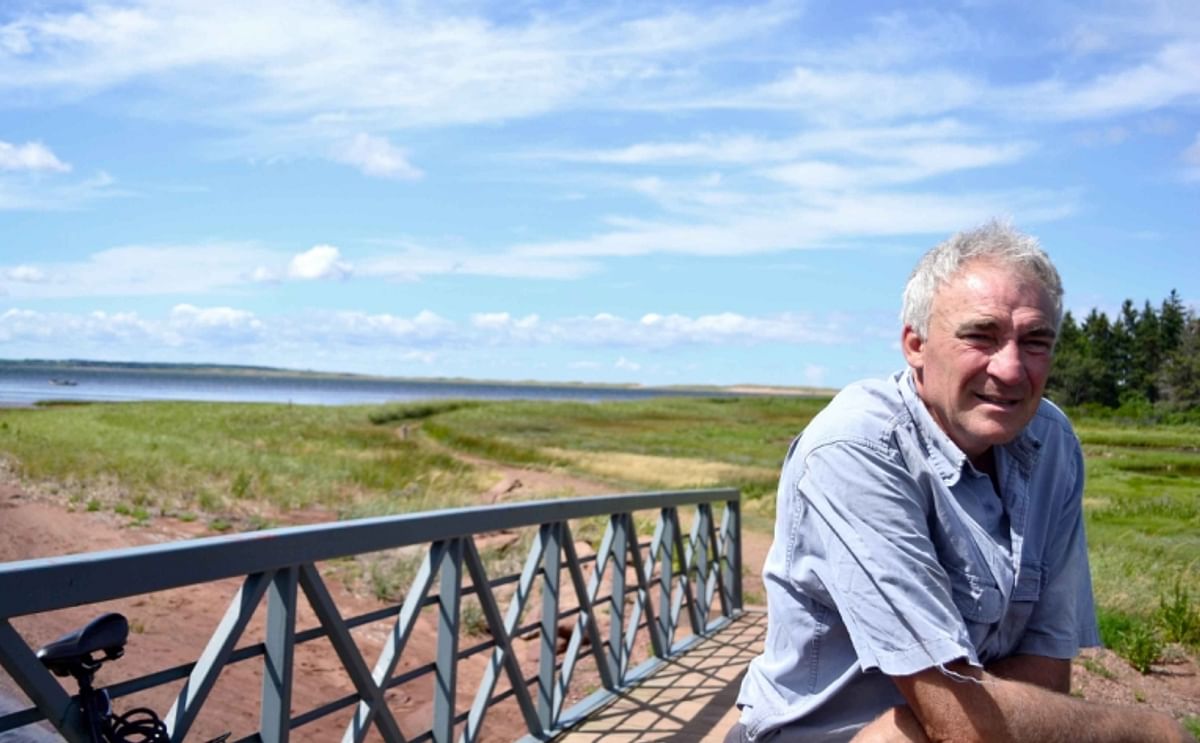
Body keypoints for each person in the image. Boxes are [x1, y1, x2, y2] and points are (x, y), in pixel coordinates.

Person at [728, 221, 1194, 742]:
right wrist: (1150, 731)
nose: (1012, 370)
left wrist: (992, 712)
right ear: (915, 345)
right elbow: (957, 722)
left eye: (1036, 341)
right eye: (981, 336)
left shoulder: (1051, 443)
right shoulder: (856, 446)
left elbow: (1047, 668)